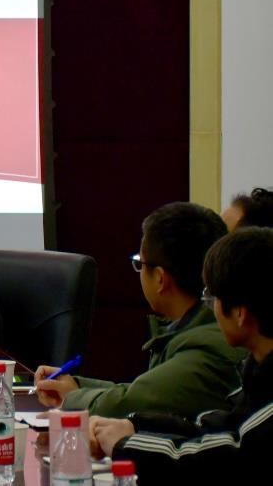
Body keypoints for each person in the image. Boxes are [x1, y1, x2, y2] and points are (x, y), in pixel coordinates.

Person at [90, 227, 273, 481]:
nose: (210, 308)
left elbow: (228, 457)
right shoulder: (258, 369)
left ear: (240, 313)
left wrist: (125, 446)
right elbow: (218, 427)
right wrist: (136, 426)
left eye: (212, 298)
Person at [35, 201, 242, 419]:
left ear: (160, 279)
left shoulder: (205, 348)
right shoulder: (197, 327)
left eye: (140, 263)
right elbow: (144, 391)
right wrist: (77, 385)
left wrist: (73, 398)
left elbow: (129, 404)